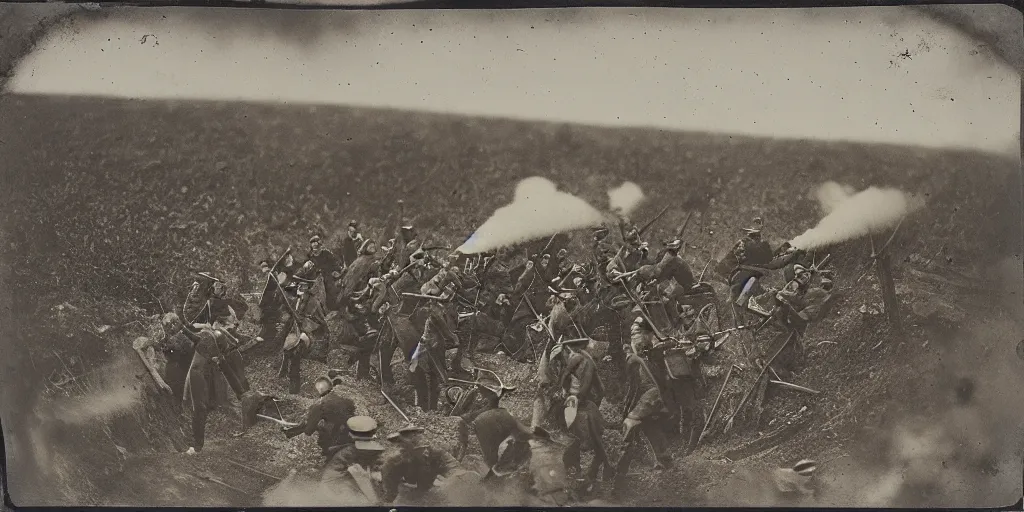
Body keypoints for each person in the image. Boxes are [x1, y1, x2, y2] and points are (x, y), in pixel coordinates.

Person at [178, 321, 248, 454]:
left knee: (204, 408)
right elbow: (193, 337)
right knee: (199, 409)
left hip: (204, 375)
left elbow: (226, 368)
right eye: (223, 349)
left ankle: (197, 444)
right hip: (197, 374)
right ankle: (196, 445)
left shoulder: (213, 343)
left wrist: (240, 393)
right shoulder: (208, 342)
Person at [615, 342, 673, 487]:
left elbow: (633, 386)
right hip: (654, 395)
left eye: (627, 349)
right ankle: (665, 459)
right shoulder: (646, 361)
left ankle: (619, 469)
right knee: (650, 426)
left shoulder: (632, 360)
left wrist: (628, 406)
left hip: (650, 396)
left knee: (629, 424)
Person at [380, 425, 464, 503]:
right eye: (419, 449)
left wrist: (457, 479)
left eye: (425, 447)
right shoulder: (396, 458)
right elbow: (388, 481)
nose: (424, 451)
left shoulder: (436, 453)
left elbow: (454, 467)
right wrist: (390, 497)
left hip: (428, 490)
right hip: (407, 492)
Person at [319, 416, 387, 502]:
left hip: (342, 486)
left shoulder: (351, 450)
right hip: (336, 489)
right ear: (374, 433)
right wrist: (375, 502)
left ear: (350, 434)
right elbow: (358, 474)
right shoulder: (351, 452)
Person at [410, 293, 458, 411]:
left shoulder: (435, 315)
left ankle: (432, 406)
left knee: (434, 375)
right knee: (429, 373)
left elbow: (446, 331)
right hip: (429, 344)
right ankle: (428, 405)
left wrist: (453, 338)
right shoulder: (430, 314)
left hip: (433, 346)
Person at [288, 375, 357, 458]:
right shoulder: (347, 400)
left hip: (337, 445)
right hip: (355, 439)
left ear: (319, 390)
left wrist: (295, 430)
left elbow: (308, 431)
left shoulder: (319, 404)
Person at [302, 235, 343, 311]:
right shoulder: (310, 257)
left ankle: (335, 308)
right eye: (312, 243)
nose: (314, 245)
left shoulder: (326, 253)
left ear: (319, 244)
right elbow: (306, 270)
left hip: (328, 275)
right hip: (316, 279)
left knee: (331, 290)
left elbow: (334, 263)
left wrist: (336, 271)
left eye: (316, 242)